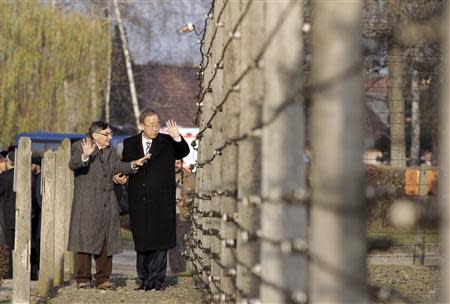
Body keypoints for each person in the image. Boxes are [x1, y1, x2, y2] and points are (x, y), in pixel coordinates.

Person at [68, 121, 150, 289]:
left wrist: (134, 164)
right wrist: (85, 156)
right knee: (85, 238)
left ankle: (103, 279)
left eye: (110, 134)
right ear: (96, 135)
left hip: (107, 200)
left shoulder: (110, 153)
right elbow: (74, 164)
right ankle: (83, 278)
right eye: (107, 134)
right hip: (87, 200)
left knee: (107, 239)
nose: (110, 137)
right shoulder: (81, 146)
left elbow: (118, 167)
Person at [122, 109, 190, 291]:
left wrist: (177, 137)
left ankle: (157, 280)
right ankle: (144, 278)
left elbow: (183, 151)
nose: (154, 128)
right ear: (141, 125)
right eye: (150, 124)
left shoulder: (166, 142)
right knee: (142, 240)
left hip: (162, 200)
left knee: (161, 241)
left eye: (157, 124)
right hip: (139, 200)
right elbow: (125, 166)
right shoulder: (130, 143)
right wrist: (123, 174)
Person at [168, 159, 195, 274]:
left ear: (182, 163)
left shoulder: (190, 178)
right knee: (171, 244)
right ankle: (175, 270)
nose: (175, 165)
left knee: (181, 241)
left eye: (178, 163)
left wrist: (184, 201)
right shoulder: (164, 175)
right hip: (167, 214)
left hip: (183, 213)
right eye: (173, 162)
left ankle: (183, 269)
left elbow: (196, 195)